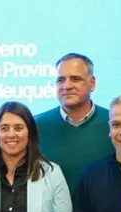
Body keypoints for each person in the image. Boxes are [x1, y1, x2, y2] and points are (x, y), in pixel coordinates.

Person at [34, 53, 114, 194]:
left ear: (92, 83)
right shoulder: (36, 125)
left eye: (75, 79)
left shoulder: (114, 123)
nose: (67, 86)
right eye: (60, 80)